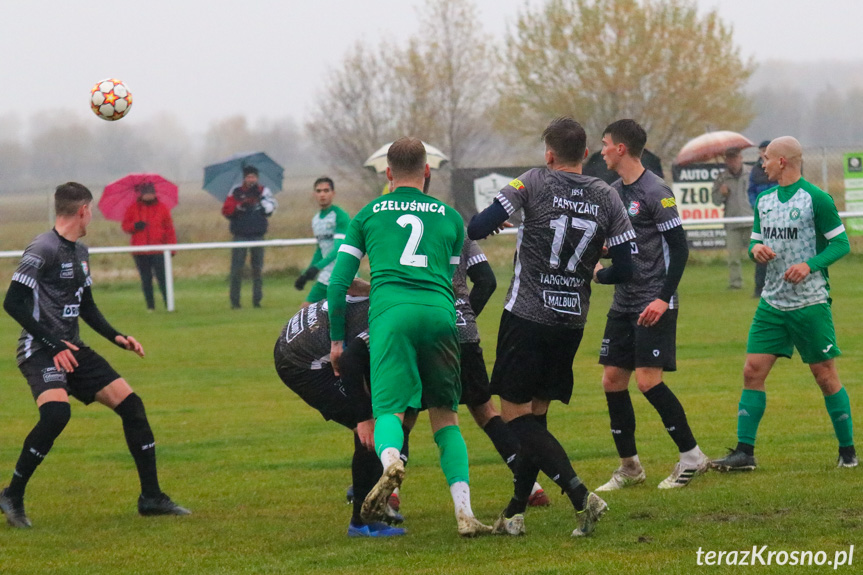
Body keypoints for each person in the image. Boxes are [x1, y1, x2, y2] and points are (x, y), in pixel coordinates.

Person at [467, 117, 635, 537]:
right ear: (585, 155)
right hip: (570, 322)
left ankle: (581, 496)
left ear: (549, 154)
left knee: (515, 419)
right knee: (536, 420)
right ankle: (514, 512)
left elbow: (476, 227)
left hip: (526, 317)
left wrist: (503, 222)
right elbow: (628, 265)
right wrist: (596, 275)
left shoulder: (533, 182)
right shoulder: (606, 196)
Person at [327, 137, 491, 537]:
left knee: (390, 412)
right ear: (427, 173)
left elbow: (337, 284)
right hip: (440, 314)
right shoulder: (450, 216)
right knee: (446, 419)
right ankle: (464, 511)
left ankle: (390, 462)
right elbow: (456, 280)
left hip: (391, 317)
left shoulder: (367, 215)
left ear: (387, 173)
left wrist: (336, 342)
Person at [0, 182, 189, 529]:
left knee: (132, 406)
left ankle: (151, 497)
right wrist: (53, 344)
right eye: (92, 210)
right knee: (56, 414)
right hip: (41, 349)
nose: (94, 215)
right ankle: (12, 493)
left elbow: (86, 307)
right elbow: (12, 302)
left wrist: (118, 336)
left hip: (74, 349)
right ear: (83, 209)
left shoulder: (81, 252)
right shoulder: (42, 248)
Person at [711, 136, 857, 471]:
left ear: (783, 161)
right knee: (752, 371)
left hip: (809, 303)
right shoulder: (764, 200)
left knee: (824, 375)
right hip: (772, 303)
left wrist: (809, 265)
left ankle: (848, 453)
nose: (761, 164)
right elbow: (756, 242)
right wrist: (755, 251)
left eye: (765, 158)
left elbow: (841, 244)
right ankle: (744, 454)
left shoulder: (816, 198)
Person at [594, 119, 709, 492]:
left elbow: (679, 248)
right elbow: (625, 241)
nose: (602, 150)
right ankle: (629, 466)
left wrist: (663, 297)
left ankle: (692, 456)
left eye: (605, 144)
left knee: (647, 381)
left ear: (621, 148)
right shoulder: (614, 192)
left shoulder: (657, 190)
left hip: (653, 301)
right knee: (612, 381)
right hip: (623, 302)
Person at [274, 282, 413, 537]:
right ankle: (361, 522)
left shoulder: (391, 293)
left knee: (377, 417)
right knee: (370, 432)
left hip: (297, 338)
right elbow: (350, 363)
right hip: (301, 362)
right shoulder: (392, 316)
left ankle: (363, 492)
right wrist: (362, 418)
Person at [452, 236, 550, 506]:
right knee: (485, 411)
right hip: (463, 332)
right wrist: (464, 315)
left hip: (420, 330)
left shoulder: (393, 218)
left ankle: (390, 495)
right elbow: (486, 280)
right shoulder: (456, 225)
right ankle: (531, 486)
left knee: (404, 411)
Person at [221, 165, 277, 309]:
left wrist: (260, 204)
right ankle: (235, 302)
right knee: (236, 270)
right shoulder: (235, 192)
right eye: (248, 176)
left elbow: (271, 208)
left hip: (258, 235)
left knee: (257, 269)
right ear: (244, 178)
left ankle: (257, 300)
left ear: (257, 178)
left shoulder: (263, 191)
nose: (251, 179)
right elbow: (226, 210)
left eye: (253, 176)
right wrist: (239, 207)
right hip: (240, 235)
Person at [294, 177, 351, 307]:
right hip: (326, 275)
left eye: (326, 190)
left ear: (333, 193)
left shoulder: (340, 215)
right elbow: (320, 250)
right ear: (314, 194)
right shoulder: (316, 219)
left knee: (341, 315)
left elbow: (338, 249)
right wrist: (306, 274)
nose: (322, 194)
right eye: (319, 191)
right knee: (305, 311)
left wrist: (316, 268)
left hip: (343, 274)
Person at [121, 182, 177, 311]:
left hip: (159, 250)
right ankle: (150, 307)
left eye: (151, 193)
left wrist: (172, 249)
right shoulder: (133, 208)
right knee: (146, 280)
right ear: (141, 194)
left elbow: (169, 230)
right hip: (140, 251)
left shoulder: (163, 208)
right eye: (146, 193)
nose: (148, 196)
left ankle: (169, 305)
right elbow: (125, 226)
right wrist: (135, 226)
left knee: (163, 278)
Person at [712, 148, 753, 290]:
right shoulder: (722, 178)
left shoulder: (751, 174)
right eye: (729, 159)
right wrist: (722, 193)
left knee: (758, 255)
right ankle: (735, 283)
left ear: (741, 158)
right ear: (726, 161)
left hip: (751, 219)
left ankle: (763, 282)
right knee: (733, 257)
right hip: (732, 221)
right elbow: (715, 201)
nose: (733, 161)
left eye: (735, 158)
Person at [748, 140, 775, 298]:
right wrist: (756, 205)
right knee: (760, 253)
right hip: (763, 216)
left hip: (779, 215)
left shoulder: (779, 169)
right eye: (762, 150)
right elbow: (751, 190)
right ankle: (759, 289)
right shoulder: (755, 170)